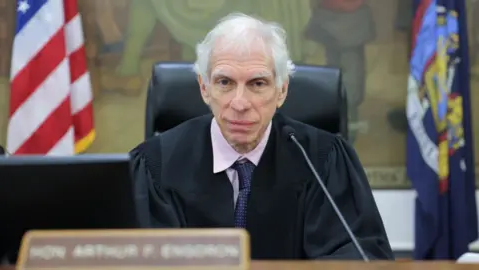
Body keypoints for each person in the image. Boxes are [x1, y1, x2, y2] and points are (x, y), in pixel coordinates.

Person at [130, 13, 394, 260]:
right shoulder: (155, 166)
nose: (240, 102)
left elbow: (358, 256)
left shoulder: (323, 161)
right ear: (204, 88)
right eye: (225, 83)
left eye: (257, 84)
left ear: (282, 91)